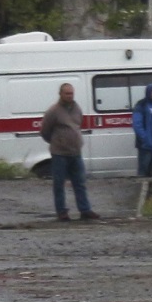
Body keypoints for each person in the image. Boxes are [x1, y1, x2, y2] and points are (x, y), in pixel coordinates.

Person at [40, 84, 99, 222]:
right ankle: (62, 212)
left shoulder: (77, 108)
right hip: (60, 153)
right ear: (60, 94)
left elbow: (78, 125)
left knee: (80, 182)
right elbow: (45, 131)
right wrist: (57, 142)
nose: (70, 96)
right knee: (59, 184)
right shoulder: (53, 111)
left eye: (71, 93)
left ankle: (85, 210)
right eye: (67, 93)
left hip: (75, 152)